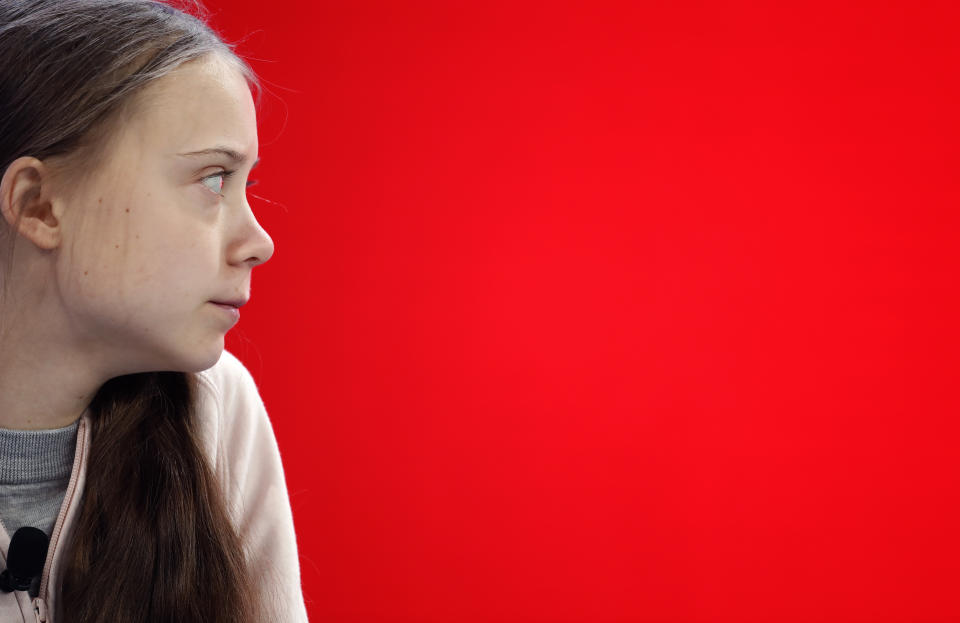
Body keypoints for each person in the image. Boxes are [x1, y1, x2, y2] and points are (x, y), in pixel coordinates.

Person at [0, 1, 309, 621]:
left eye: (246, 184)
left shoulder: (217, 409)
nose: (260, 242)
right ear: (40, 206)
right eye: (213, 179)